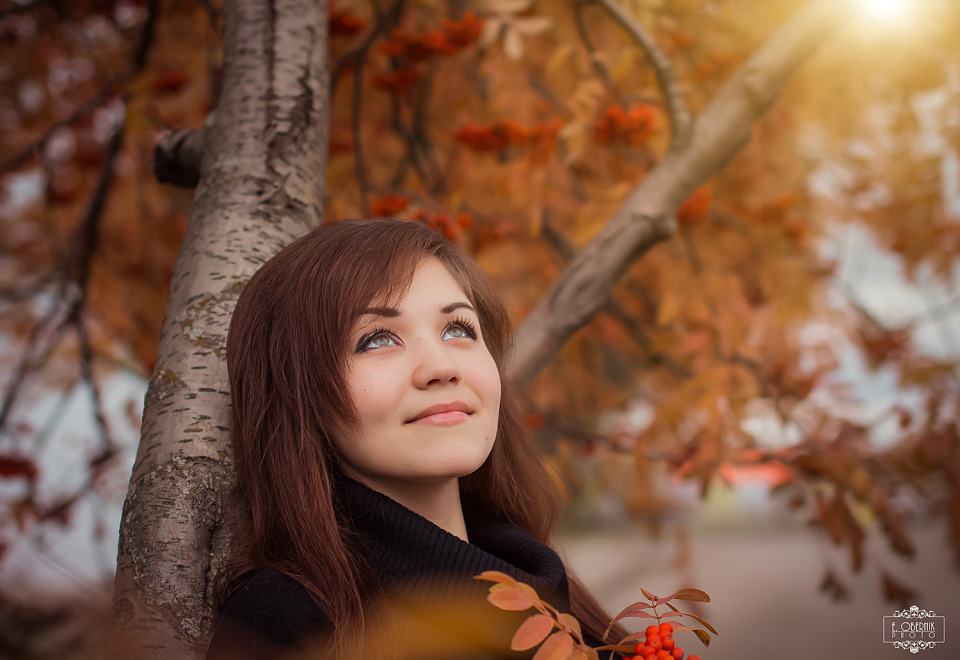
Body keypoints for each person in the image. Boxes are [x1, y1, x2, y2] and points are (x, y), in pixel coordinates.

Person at [205, 218, 621, 660]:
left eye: (458, 330)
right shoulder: (289, 623)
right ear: (297, 393)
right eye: (377, 339)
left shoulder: (549, 585)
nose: (441, 366)